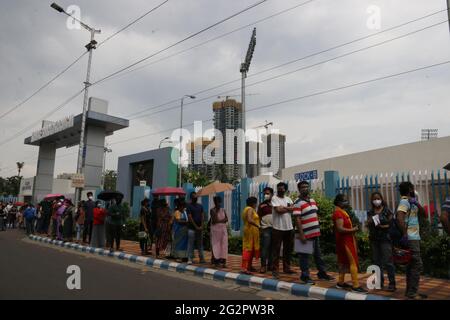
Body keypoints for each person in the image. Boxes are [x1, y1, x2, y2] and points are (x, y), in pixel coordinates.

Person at [294, 181, 334, 284]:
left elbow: (314, 214)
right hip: (305, 234)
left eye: (307, 187)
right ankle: (305, 276)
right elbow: (297, 219)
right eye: (303, 187)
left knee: (318, 255)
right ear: (299, 189)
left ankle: (322, 273)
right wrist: (301, 234)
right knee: (304, 256)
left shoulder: (312, 200)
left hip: (315, 233)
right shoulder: (297, 202)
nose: (305, 189)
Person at [396, 182, 427, 300]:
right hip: (411, 238)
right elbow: (399, 218)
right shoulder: (404, 201)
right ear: (410, 189)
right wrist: (405, 234)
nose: (414, 189)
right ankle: (412, 293)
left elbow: (424, 215)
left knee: (411, 265)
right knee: (417, 264)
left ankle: (410, 292)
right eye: (413, 188)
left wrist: (417, 203)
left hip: (415, 237)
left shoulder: (412, 202)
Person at [332, 194, 367, 294]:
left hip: (346, 240)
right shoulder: (338, 213)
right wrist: (353, 229)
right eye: (344, 200)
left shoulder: (341, 211)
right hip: (345, 241)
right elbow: (340, 228)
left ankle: (340, 282)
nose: (347, 202)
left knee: (343, 263)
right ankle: (355, 286)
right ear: (339, 202)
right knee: (353, 262)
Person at [366, 192, 396, 292]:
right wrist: (369, 222)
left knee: (388, 261)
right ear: (372, 201)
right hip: (374, 239)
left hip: (385, 239)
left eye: (378, 198)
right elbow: (367, 223)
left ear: (382, 199)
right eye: (374, 199)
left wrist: (382, 226)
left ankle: (392, 283)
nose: (376, 200)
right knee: (376, 261)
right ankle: (379, 282)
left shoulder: (387, 211)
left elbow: (391, 224)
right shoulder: (370, 212)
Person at [271, 182, 294, 279]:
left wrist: (284, 207)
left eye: (282, 188)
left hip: (289, 227)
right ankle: (275, 269)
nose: (281, 190)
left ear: (285, 189)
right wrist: (288, 208)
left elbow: (293, 209)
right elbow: (278, 211)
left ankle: (287, 268)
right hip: (277, 228)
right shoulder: (274, 198)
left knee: (287, 249)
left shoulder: (288, 199)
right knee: (276, 249)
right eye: (279, 188)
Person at [241, 197, 260, 274]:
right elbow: (249, 219)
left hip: (249, 230)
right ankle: (244, 268)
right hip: (250, 231)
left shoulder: (246, 209)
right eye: (256, 203)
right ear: (253, 203)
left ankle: (249, 266)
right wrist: (258, 226)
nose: (256, 204)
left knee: (250, 249)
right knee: (248, 248)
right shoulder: (250, 209)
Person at [257, 187, 274, 273]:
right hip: (265, 229)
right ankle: (263, 266)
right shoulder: (261, 205)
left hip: (275, 229)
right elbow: (258, 217)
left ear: (272, 194)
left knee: (272, 248)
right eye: (264, 194)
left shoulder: (276, 204)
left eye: (267, 193)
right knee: (265, 248)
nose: (266, 195)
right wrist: (260, 227)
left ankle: (271, 265)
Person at [186, 192, 206, 264]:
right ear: (191, 198)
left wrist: (201, 226)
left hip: (199, 228)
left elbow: (202, 216)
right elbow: (190, 217)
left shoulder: (200, 206)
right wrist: (196, 226)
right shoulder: (189, 206)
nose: (196, 198)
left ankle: (201, 258)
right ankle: (190, 258)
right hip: (191, 228)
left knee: (200, 244)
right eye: (194, 197)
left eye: (196, 197)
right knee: (191, 244)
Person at [210, 196, 228, 267]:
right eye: (217, 202)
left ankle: (223, 261)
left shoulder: (223, 210)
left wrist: (220, 221)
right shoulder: (212, 210)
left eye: (219, 202)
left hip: (223, 230)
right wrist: (222, 220)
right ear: (215, 202)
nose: (219, 203)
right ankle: (215, 260)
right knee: (216, 245)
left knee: (224, 245)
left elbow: (227, 219)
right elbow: (214, 221)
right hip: (215, 230)